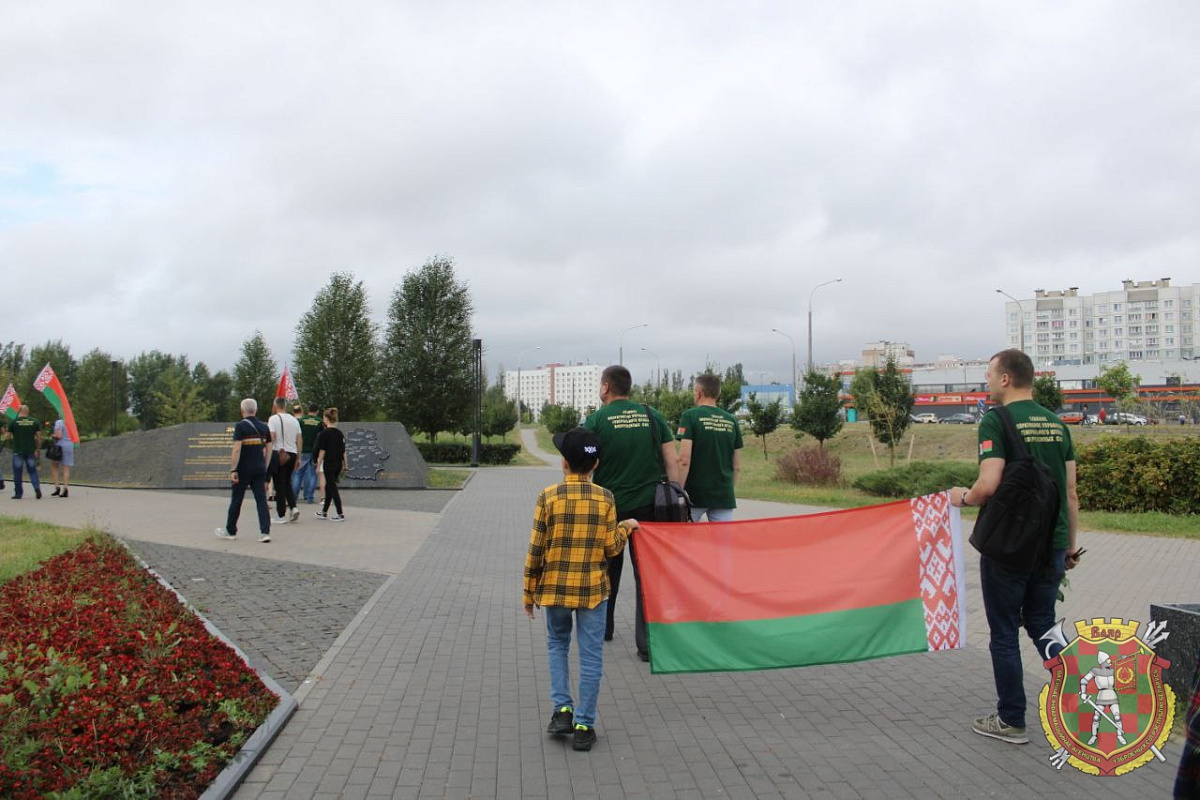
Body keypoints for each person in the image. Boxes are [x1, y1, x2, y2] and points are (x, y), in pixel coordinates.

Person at [950, 348, 1081, 745]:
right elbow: (1071, 493)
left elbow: (988, 484)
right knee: (1042, 623)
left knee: (1004, 632)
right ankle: (1083, 701)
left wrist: (962, 497)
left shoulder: (996, 420)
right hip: (1052, 543)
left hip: (1009, 545)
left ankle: (1011, 720)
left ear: (1006, 378)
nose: (987, 381)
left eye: (990, 374)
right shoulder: (1057, 425)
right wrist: (1069, 547)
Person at [523, 426, 637, 752]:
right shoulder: (606, 498)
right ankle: (585, 725)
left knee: (557, 644)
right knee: (591, 656)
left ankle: (562, 711)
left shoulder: (548, 496)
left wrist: (529, 592)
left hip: (555, 589)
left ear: (563, 463)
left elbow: (536, 548)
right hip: (592, 591)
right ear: (595, 464)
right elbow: (611, 547)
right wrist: (626, 527)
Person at [583, 365, 679, 660]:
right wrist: (676, 494)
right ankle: (647, 644)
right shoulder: (652, 416)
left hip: (609, 508)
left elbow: (586, 464)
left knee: (606, 570)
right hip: (648, 508)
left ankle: (604, 628)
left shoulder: (596, 420)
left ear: (606, 387)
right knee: (646, 574)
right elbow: (672, 461)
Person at [676, 372, 743, 522]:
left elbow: (684, 460)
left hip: (694, 495)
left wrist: (678, 491)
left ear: (698, 392)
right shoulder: (732, 420)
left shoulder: (690, 416)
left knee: (685, 535)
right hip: (723, 496)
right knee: (722, 538)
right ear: (718, 393)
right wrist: (727, 490)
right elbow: (736, 466)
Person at [215, 398, 274, 543]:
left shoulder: (241, 426)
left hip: (243, 469)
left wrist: (233, 469)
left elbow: (237, 449)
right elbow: (269, 448)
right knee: (261, 500)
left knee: (237, 499)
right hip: (259, 469)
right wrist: (265, 465)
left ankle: (230, 530)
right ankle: (265, 532)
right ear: (256, 410)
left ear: (242, 411)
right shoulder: (264, 427)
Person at [268, 397, 302, 525]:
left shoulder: (273, 419)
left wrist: (266, 450)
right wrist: (298, 457)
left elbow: (272, 437)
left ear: (275, 406)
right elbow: (299, 439)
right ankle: (293, 507)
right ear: (285, 406)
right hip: (292, 454)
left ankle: (280, 514)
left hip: (280, 454)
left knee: (279, 485)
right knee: (287, 482)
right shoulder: (294, 420)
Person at [314, 407, 347, 521]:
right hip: (338, 463)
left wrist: (318, 465)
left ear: (326, 419)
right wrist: (345, 465)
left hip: (329, 463)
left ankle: (340, 513)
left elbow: (322, 451)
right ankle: (324, 512)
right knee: (329, 487)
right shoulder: (340, 433)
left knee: (332, 488)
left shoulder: (324, 434)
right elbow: (343, 451)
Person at [5, 405, 42, 500]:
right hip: (31, 451)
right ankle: (37, 488)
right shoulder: (34, 422)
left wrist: (8, 433)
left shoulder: (13, 422)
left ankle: (18, 493)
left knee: (17, 472)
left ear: (19, 411)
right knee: (32, 471)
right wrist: (38, 449)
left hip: (18, 451)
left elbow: (7, 437)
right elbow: (39, 438)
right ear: (27, 412)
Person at [291, 402, 324, 504]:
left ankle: (294, 496)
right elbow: (322, 437)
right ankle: (309, 497)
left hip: (302, 450)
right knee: (313, 474)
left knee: (298, 473)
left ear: (308, 410)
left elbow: (297, 435)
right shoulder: (320, 422)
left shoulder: (301, 420)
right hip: (314, 451)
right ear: (317, 411)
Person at [48, 416, 74, 498]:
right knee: (66, 468)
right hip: (69, 445)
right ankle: (65, 488)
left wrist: (53, 435)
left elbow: (59, 436)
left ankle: (57, 487)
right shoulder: (71, 422)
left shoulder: (59, 422)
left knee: (54, 466)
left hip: (59, 447)